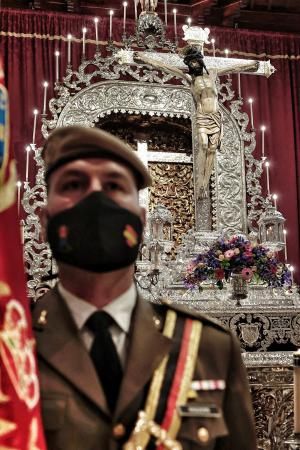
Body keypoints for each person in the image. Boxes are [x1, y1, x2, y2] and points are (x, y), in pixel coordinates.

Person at [32, 125, 257, 450]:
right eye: (73, 184)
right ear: (44, 222)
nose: (95, 198)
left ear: (141, 220)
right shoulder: (11, 343)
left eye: (113, 185)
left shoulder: (210, 347)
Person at [132, 48, 259, 199]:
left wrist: (251, 65)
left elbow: (232, 68)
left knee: (212, 149)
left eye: (196, 61)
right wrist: (145, 59)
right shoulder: (189, 79)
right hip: (203, 116)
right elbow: (166, 67)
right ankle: (200, 183)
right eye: (191, 62)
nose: (194, 64)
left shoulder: (212, 73)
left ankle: (203, 185)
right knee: (204, 145)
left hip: (215, 116)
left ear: (200, 61)